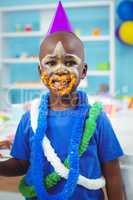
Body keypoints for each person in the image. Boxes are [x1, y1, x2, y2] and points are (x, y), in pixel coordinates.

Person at [0, 2, 125, 200]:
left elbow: (114, 175)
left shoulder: (97, 119)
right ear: (40, 72)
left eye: (69, 62)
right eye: (51, 62)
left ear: (83, 71)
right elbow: (21, 164)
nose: (60, 70)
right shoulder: (29, 119)